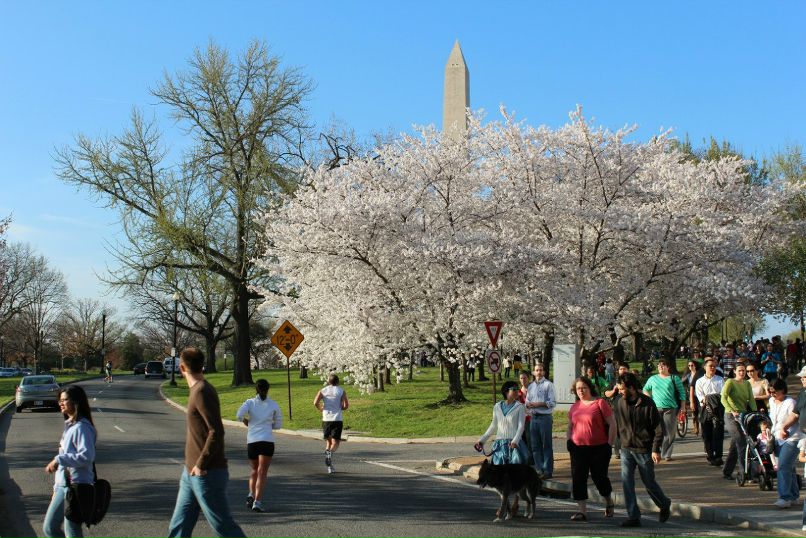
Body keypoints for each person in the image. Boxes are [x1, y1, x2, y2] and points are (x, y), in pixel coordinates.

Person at [167, 347, 245, 538]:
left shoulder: (202, 391)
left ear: (182, 368)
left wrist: (201, 464)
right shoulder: (197, 390)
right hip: (190, 473)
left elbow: (216, 431)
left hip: (206, 473)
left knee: (225, 529)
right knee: (178, 528)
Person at [615, 372, 672, 528]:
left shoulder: (648, 403)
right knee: (627, 482)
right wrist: (619, 444)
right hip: (627, 449)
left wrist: (655, 449)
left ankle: (664, 503)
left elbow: (658, 428)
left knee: (649, 483)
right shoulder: (620, 403)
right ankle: (633, 516)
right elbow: (619, 425)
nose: (620, 391)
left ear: (632, 388)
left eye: (622, 389)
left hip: (644, 450)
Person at [43, 386, 97, 538]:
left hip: (77, 486)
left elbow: (87, 456)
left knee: (71, 532)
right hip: (63, 486)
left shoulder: (82, 427)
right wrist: (56, 488)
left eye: (65, 400)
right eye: (59, 400)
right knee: (50, 528)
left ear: (76, 402)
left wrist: (58, 460)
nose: (61, 403)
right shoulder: (70, 425)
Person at [565, 376, 616, 522]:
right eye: (578, 389)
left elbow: (612, 423)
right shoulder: (575, 406)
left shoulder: (600, 403)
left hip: (599, 448)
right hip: (578, 449)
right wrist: (569, 441)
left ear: (589, 388)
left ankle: (608, 501)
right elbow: (570, 426)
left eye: (583, 388)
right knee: (578, 479)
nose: (580, 391)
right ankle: (582, 512)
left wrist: (609, 445)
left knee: (600, 478)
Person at [236, 379, 282, 513]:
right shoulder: (273, 404)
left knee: (254, 471)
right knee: (262, 472)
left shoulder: (250, 402)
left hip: (252, 441)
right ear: (268, 389)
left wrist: (247, 422)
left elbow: (239, 415)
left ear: (256, 389)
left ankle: (251, 494)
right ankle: (258, 501)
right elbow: (278, 425)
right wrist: (268, 426)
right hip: (267, 440)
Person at [642, 359, 686, 461]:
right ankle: (656, 450)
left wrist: (683, 407)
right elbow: (645, 389)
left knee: (669, 433)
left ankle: (666, 454)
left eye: (663, 365)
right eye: (659, 366)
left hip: (670, 408)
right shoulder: (653, 378)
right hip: (655, 408)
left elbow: (682, 393)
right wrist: (650, 399)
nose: (660, 367)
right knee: (657, 431)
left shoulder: (674, 378)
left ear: (668, 367)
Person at [477, 381, 528, 465]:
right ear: (506, 391)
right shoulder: (497, 406)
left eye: (517, 389)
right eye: (514, 389)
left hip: (514, 444)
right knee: (499, 471)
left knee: (515, 470)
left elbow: (521, 426)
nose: (517, 391)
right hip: (500, 444)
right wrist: (482, 440)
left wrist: (515, 441)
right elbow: (493, 426)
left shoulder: (520, 407)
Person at [768, 378, 801, 508]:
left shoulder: (790, 402)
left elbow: (794, 419)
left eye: (774, 392)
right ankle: (793, 495)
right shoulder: (771, 401)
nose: (772, 395)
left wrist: (785, 430)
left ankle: (785, 497)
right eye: (770, 392)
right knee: (789, 468)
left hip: (792, 438)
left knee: (782, 466)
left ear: (782, 390)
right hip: (777, 437)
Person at [720, 362, 756, 481]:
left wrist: (755, 413)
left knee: (736, 445)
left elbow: (751, 400)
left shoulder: (746, 384)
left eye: (743, 371)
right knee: (741, 442)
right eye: (739, 370)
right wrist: (731, 410)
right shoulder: (730, 382)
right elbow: (723, 398)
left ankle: (727, 471)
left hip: (743, 415)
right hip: (730, 415)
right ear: (734, 371)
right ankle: (745, 472)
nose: (742, 373)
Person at [314, 374, 349, 474]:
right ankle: (330, 453)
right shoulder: (341, 391)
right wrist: (340, 407)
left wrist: (321, 408)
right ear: (337, 382)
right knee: (336, 443)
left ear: (329, 382)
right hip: (337, 419)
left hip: (326, 419)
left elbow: (315, 402)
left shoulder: (323, 390)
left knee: (328, 442)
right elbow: (346, 405)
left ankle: (330, 467)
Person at [525, 363, 556, 479]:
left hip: (545, 418)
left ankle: (547, 471)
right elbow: (527, 402)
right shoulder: (531, 386)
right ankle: (539, 469)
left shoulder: (549, 385)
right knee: (535, 446)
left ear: (544, 372)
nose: (538, 372)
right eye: (536, 370)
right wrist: (529, 405)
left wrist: (538, 404)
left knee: (546, 445)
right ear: (533, 372)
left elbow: (552, 403)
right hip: (534, 418)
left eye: (540, 370)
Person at [694, 358, 725, 466]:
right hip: (705, 409)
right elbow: (700, 396)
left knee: (718, 433)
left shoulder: (720, 380)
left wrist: (713, 400)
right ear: (705, 367)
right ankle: (710, 455)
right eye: (710, 366)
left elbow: (723, 394)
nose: (712, 368)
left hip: (718, 409)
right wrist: (709, 401)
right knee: (707, 434)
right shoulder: (700, 381)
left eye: (714, 366)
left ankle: (719, 456)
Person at [604, 362, 631, 459]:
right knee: (617, 429)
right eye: (620, 369)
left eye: (624, 369)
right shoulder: (614, 381)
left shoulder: (632, 380)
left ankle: (627, 448)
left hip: (630, 408)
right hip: (617, 408)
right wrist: (614, 390)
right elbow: (606, 393)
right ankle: (617, 451)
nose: (622, 370)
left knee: (628, 428)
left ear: (628, 370)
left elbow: (640, 391)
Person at [681, 359, 704, 436]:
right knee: (694, 412)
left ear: (695, 366)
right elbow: (681, 382)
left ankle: (703, 429)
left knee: (702, 412)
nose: (690, 367)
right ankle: (696, 428)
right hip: (692, 395)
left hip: (700, 395)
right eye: (689, 365)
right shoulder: (688, 375)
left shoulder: (700, 374)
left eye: (692, 365)